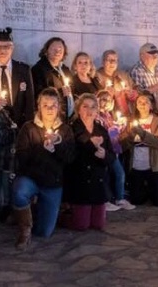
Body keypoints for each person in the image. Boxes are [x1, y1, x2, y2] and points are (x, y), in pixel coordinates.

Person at [0, 27, 35, 222]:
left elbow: (30, 101)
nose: (3, 50)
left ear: (13, 48)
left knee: (10, 168)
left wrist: (26, 128)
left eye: (7, 47)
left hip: (15, 125)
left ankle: (11, 206)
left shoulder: (23, 69)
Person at [12, 87, 75, 249]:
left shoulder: (65, 130)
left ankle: (39, 211)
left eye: (53, 105)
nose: (49, 109)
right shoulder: (28, 128)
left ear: (59, 107)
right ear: (39, 106)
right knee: (19, 192)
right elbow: (22, 157)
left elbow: (70, 158)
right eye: (45, 105)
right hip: (31, 178)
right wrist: (42, 150)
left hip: (52, 182)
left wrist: (57, 146)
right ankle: (24, 230)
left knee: (44, 232)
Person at [63, 94, 115, 231]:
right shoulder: (71, 129)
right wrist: (89, 145)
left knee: (98, 225)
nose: (89, 110)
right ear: (78, 109)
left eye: (93, 107)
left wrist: (104, 155)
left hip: (98, 183)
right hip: (80, 182)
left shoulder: (101, 130)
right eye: (85, 106)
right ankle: (64, 214)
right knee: (81, 225)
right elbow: (69, 157)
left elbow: (112, 157)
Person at [120, 92, 158, 206]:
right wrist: (129, 137)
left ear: (151, 105)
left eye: (146, 102)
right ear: (136, 106)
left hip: (155, 165)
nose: (142, 105)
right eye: (140, 102)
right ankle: (148, 190)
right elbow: (123, 144)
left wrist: (142, 133)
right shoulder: (130, 121)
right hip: (137, 165)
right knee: (136, 200)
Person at [96, 90, 134, 211]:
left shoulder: (109, 115)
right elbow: (104, 132)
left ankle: (119, 198)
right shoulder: (97, 117)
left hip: (114, 149)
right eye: (103, 99)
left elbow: (114, 132)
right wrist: (114, 128)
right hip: (105, 150)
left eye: (109, 100)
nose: (106, 103)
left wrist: (120, 126)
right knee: (111, 174)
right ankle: (107, 200)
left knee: (118, 173)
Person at [31, 37, 74, 118]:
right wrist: (60, 92)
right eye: (53, 49)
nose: (57, 52)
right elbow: (37, 94)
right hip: (50, 117)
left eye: (60, 49)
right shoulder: (38, 69)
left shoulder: (65, 69)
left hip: (66, 118)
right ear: (46, 51)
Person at [95, 49, 135, 116]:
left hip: (124, 113)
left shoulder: (123, 75)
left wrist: (131, 94)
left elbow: (135, 89)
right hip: (105, 114)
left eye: (115, 60)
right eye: (109, 60)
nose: (112, 63)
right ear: (103, 62)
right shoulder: (96, 76)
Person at [130, 43, 158, 113]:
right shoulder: (137, 71)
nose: (155, 57)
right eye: (152, 54)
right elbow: (138, 95)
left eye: (156, 54)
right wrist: (155, 88)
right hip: (148, 116)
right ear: (142, 56)